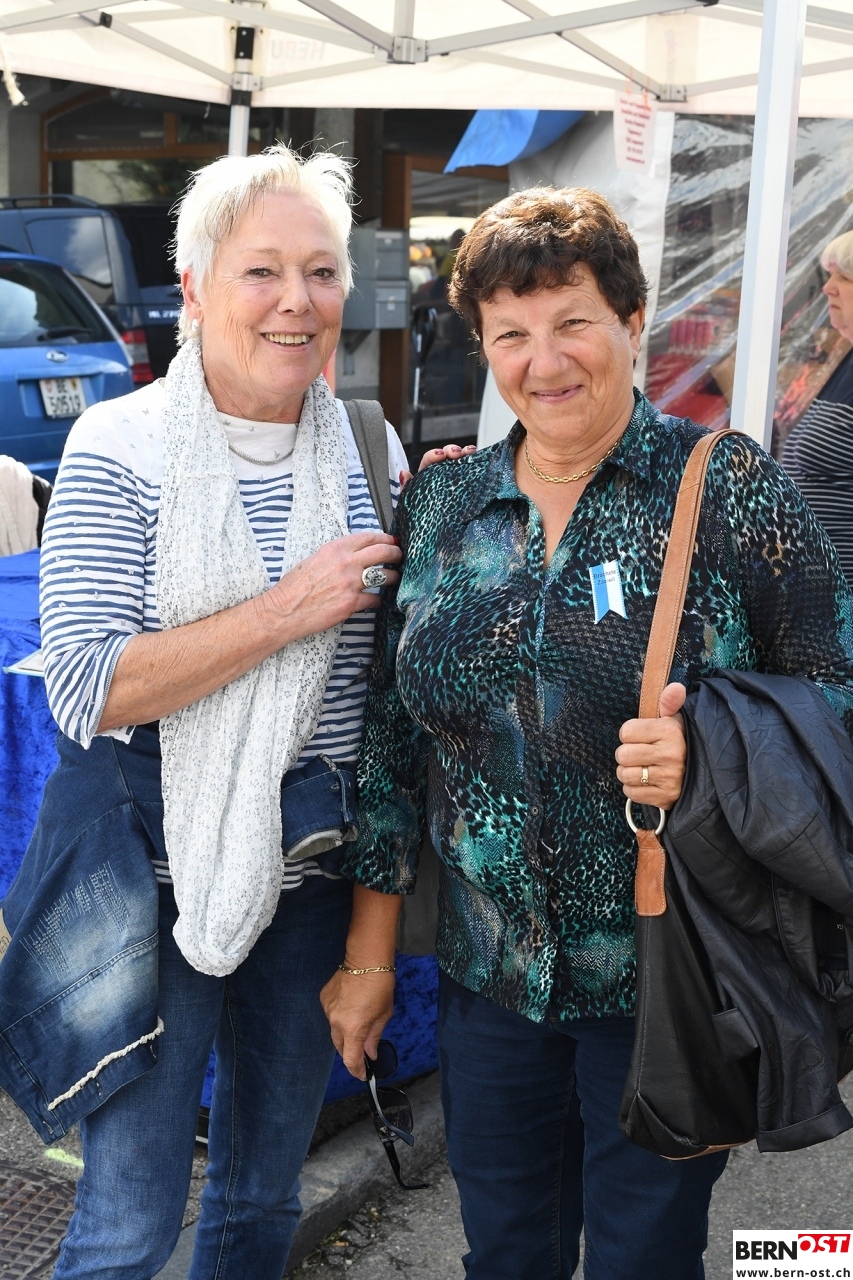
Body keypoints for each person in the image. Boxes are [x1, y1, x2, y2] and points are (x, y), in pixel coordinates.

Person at [322, 187, 853, 1280]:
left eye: (572, 321)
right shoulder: (445, 505)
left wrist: (713, 748)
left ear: (631, 319)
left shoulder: (726, 486)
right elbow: (393, 746)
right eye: (509, 333)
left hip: (668, 972)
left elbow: (834, 690)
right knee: (504, 1253)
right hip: (489, 976)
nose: (543, 360)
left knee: (641, 1255)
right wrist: (369, 956)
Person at [26, 143, 467, 1280]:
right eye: (262, 270)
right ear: (195, 286)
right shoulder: (117, 443)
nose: (296, 301)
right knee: (127, 1218)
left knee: (263, 1194)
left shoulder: (366, 444)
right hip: (152, 867)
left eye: (320, 272)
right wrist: (286, 609)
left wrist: (457, 525)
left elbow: (387, 670)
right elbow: (87, 685)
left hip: (309, 872)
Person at [782, 228, 853, 585]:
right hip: (816, 594)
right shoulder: (845, 361)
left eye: (845, 278)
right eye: (829, 275)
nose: (828, 288)